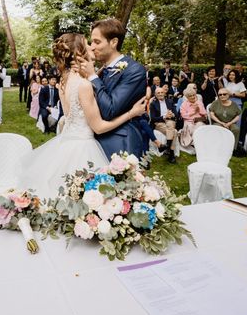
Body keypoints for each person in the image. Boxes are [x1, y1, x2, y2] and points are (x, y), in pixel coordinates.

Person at [16, 33, 146, 199]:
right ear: (78, 52)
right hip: (84, 148)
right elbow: (98, 127)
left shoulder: (63, 81)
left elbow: (70, 115)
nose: (92, 47)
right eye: (87, 44)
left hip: (65, 144)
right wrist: (131, 113)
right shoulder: (84, 85)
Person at [78, 18, 148, 159]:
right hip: (93, 140)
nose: (92, 47)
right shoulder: (102, 71)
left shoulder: (134, 70)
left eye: (97, 42)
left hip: (119, 143)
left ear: (114, 42)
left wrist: (92, 76)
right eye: (92, 42)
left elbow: (110, 110)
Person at [149, 87, 177, 162]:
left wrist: (172, 114)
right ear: (155, 94)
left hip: (170, 121)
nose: (160, 94)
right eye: (158, 93)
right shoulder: (153, 104)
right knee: (174, 132)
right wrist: (165, 116)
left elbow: (176, 114)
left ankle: (167, 147)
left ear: (164, 93)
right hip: (159, 123)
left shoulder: (170, 101)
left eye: (162, 92)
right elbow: (153, 118)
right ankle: (171, 153)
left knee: (170, 123)